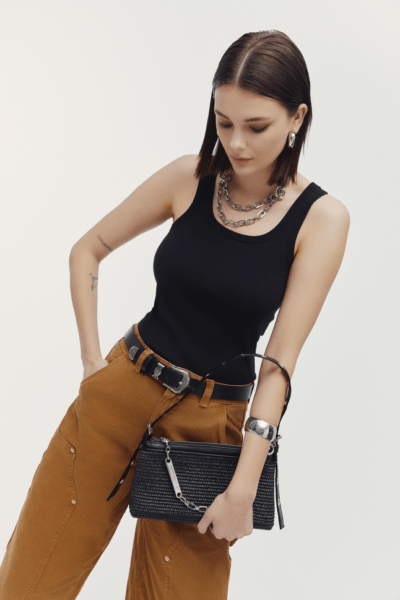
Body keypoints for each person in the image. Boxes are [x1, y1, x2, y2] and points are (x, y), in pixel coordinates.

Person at [0, 29, 350, 600]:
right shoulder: (189, 178)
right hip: (121, 389)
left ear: (297, 118)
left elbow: (279, 366)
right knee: (28, 584)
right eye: (223, 122)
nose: (235, 143)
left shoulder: (322, 219)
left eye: (256, 126)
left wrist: (244, 486)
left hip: (210, 431)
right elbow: (87, 250)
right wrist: (92, 368)